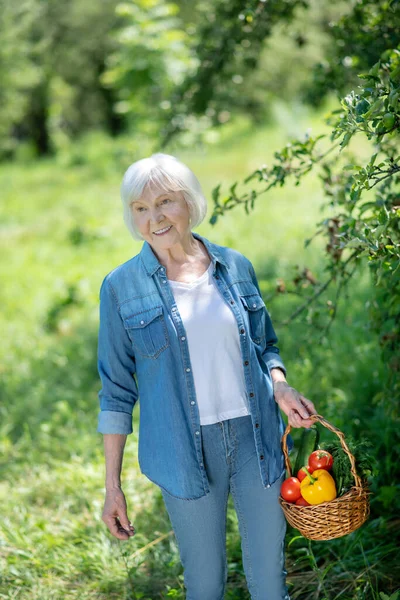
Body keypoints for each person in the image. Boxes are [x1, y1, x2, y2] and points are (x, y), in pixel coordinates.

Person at [97, 153, 317, 600]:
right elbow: (116, 393)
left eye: (165, 202)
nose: (154, 218)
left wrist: (280, 384)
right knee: (204, 583)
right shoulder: (121, 287)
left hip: (256, 439)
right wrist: (112, 487)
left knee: (270, 581)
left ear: (189, 202)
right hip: (181, 448)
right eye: (141, 208)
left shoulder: (234, 267)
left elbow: (265, 346)